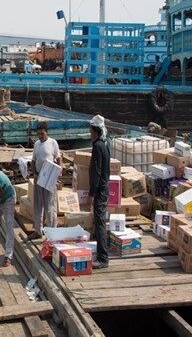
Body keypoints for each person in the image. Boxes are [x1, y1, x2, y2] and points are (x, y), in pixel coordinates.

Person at [27, 122, 61, 240]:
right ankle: (38, 231)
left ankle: (52, 232)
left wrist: (57, 175)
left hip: (49, 179)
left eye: (42, 134)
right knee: (38, 205)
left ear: (46, 132)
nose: (40, 136)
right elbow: (33, 161)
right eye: (38, 134)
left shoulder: (53, 143)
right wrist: (34, 174)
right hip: (39, 178)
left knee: (50, 206)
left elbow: (58, 159)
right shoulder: (36, 144)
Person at [88, 115, 110, 269]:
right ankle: (101, 253)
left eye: (90, 131)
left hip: (100, 191)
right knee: (100, 221)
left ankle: (103, 258)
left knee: (100, 223)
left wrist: (91, 193)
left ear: (95, 131)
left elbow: (96, 172)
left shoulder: (97, 146)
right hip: (104, 188)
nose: (89, 134)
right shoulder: (105, 144)